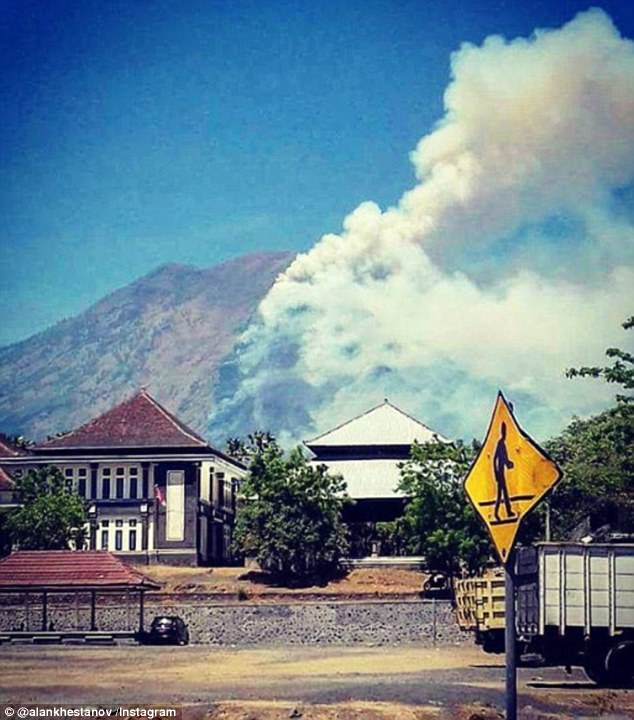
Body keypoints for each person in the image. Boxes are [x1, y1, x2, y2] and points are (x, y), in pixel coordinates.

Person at [493, 421, 515, 521]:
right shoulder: (500, 443)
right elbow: (495, 458)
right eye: (504, 431)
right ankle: (497, 513)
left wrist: (509, 463)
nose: (505, 433)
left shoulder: (503, 443)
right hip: (500, 473)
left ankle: (507, 511)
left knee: (504, 493)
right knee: (500, 494)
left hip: (502, 472)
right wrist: (496, 474)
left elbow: (504, 459)